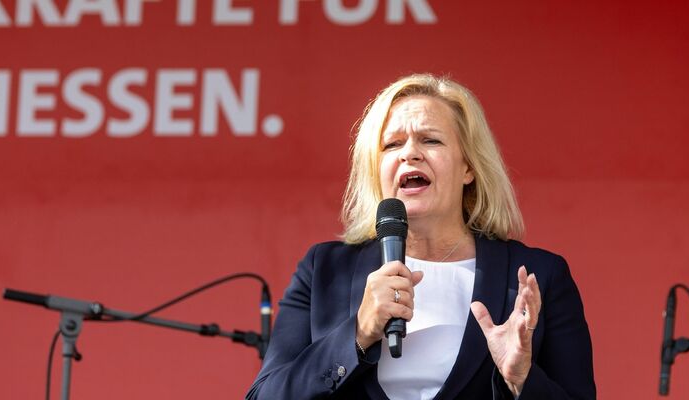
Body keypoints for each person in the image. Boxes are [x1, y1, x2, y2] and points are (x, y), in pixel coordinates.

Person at [246, 74, 595, 399]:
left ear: (469, 167)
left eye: (430, 139)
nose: (409, 153)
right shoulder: (324, 269)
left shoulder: (539, 275)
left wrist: (521, 378)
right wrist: (358, 333)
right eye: (392, 144)